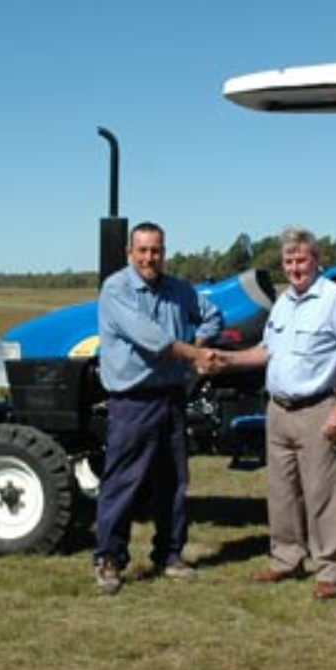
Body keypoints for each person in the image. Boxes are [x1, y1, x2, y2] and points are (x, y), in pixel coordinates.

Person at [214, 227, 336, 600]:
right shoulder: (283, 302)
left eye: (301, 260)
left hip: (317, 410)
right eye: (289, 262)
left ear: (316, 260)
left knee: (321, 493)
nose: (295, 268)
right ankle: (286, 559)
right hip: (278, 410)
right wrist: (228, 360)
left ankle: (331, 569)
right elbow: (267, 352)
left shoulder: (335, 298)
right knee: (281, 492)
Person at [92, 221, 223, 595]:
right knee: (123, 483)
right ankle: (109, 559)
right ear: (130, 253)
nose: (150, 258)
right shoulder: (116, 289)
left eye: (157, 250)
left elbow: (212, 315)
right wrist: (197, 354)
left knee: (174, 483)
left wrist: (200, 344)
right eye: (143, 250)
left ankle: (170, 554)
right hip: (133, 402)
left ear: (164, 252)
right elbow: (152, 340)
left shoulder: (179, 289)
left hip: (170, 399)